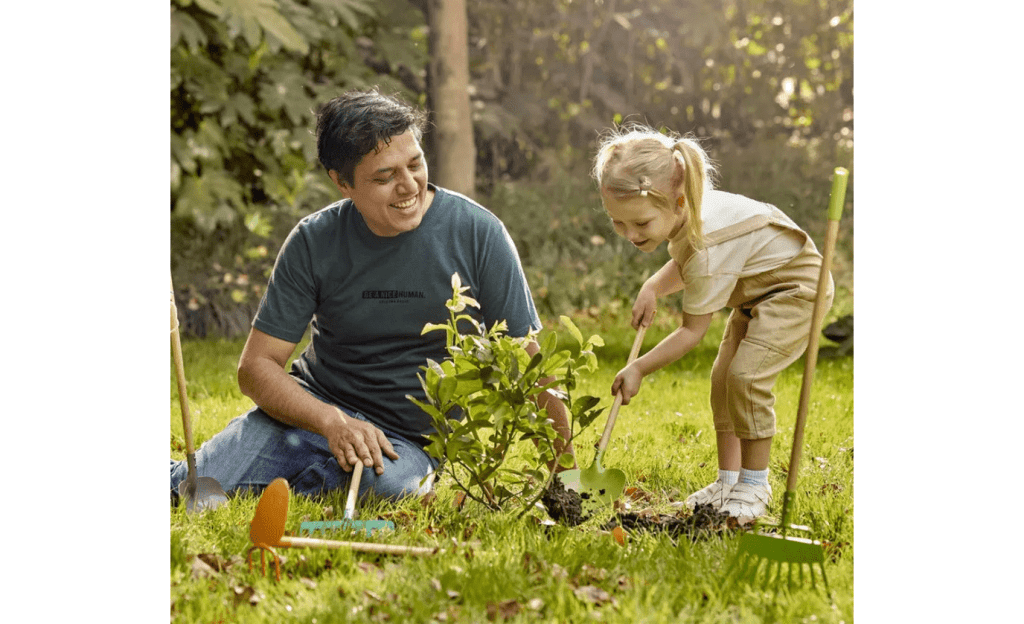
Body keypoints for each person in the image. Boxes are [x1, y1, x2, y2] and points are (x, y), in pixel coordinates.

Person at [171, 89, 574, 503]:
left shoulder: (478, 233)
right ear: (342, 182)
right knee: (187, 488)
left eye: (415, 164)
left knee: (385, 489)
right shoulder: (314, 240)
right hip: (308, 418)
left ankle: (313, 485)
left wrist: (567, 480)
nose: (408, 186)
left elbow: (530, 362)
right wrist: (331, 421)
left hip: (404, 441)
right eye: (384, 177)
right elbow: (256, 366)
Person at [593, 125, 832, 525]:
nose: (629, 235)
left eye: (640, 224)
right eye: (618, 223)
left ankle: (755, 486)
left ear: (678, 202)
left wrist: (638, 367)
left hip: (797, 291)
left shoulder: (709, 243)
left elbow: (691, 332)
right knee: (722, 377)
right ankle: (728, 481)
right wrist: (654, 285)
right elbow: (684, 259)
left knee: (745, 377)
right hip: (757, 293)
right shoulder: (690, 212)